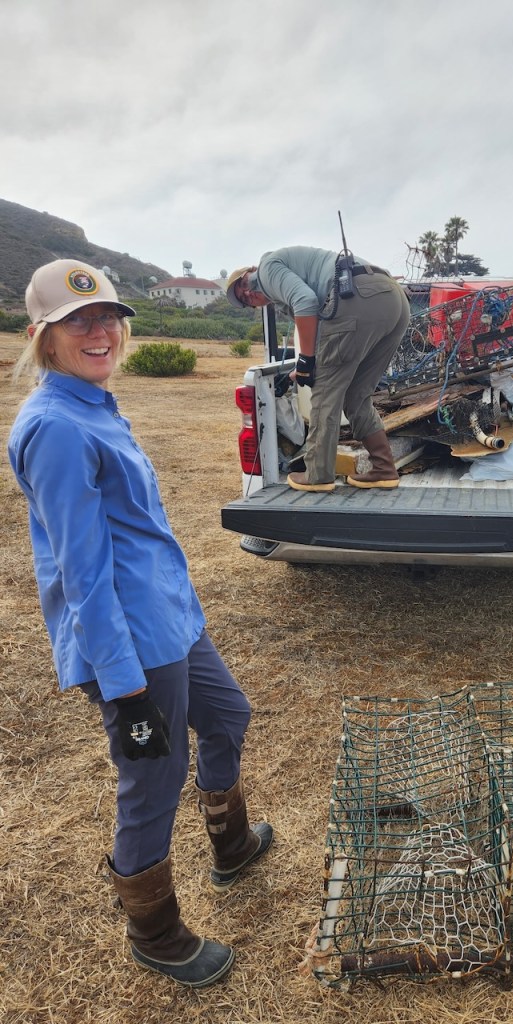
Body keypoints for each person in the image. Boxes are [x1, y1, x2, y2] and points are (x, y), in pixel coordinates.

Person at [7, 260, 273, 987]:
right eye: (76, 321)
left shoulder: (92, 404)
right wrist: (124, 691)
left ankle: (232, 844)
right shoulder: (56, 428)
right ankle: (154, 933)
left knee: (228, 716)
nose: (99, 331)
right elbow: (81, 575)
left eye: (107, 318)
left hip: (171, 620)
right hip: (130, 646)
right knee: (153, 778)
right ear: (43, 337)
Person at [226, 246, 411, 492]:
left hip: (359, 298)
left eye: (242, 287)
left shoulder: (267, 269)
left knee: (325, 394)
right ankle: (385, 469)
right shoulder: (284, 290)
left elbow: (306, 301)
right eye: (244, 300)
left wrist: (307, 362)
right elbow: (324, 334)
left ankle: (317, 473)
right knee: (356, 396)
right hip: (392, 299)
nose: (247, 294)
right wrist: (305, 366)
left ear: (249, 273)